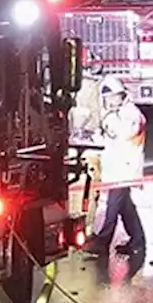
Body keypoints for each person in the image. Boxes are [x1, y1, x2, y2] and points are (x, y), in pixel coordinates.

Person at [82, 76, 146, 257]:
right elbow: (109, 140)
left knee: (113, 206)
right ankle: (138, 240)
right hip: (117, 169)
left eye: (113, 97)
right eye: (107, 99)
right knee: (126, 208)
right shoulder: (117, 114)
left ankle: (102, 241)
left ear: (121, 95)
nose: (109, 102)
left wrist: (108, 119)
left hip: (125, 170)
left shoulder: (131, 114)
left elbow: (123, 132)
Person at [69, 55, 106, 236]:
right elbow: (97, 117)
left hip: (73, 145)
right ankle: (87, 227)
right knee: (91, 188)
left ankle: (77, 218)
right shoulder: (93, 86)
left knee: (76, 186)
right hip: (89, 145)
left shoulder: (61, 85)